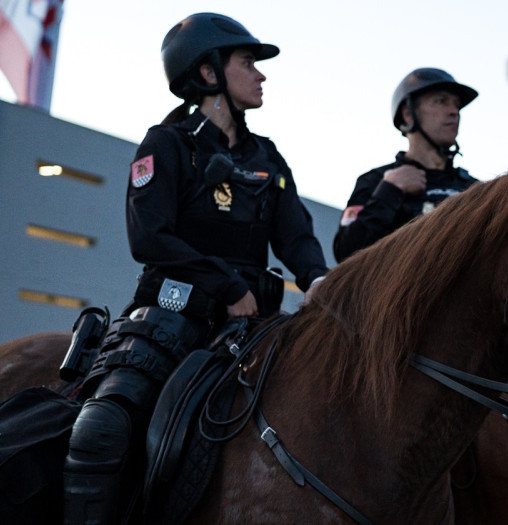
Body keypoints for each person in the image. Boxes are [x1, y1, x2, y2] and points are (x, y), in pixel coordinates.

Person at [60, 13, 328, 524]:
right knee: (102, 429)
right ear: (208, 73)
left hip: (252, 326)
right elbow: (149, 237)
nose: (261, 74)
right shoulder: (167, 144)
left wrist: (318, 278)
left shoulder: (268, 158)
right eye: (247, 62)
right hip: (170, 319)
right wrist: (226, 286)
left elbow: (295, 237)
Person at [332, 67, 478, 262]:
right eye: (441, 101)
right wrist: (389, 191)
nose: (454, 112)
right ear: (408, 114)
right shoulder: (375, 181)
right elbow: (346, 254)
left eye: (457, 105)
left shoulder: (474, 189)